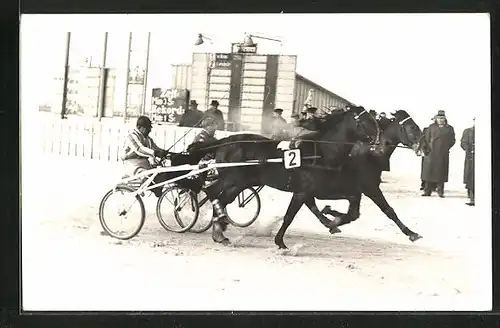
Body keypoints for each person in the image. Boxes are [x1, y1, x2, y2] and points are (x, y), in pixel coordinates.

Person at [121, 116, 169, 197]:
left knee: (162, 172)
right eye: (147, 128)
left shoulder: (148, 139)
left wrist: (165, 153)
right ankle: (149, 188)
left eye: (150, 128)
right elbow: (139, 149)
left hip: (145, 165)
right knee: (146, 175)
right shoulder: (132, 136)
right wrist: (155, 153)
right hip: (132, 165)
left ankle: (157, 188)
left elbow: (156, 149)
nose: (150, 130)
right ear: (139, 127)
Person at [421, 110, 456, 197]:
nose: (440, 120)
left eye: (442, 118)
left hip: (442, 154)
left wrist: (446, 147)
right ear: (436, 119)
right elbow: (426, 139)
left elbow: (452, 140)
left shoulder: (449, 128)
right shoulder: (431, 127)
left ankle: (440, 191)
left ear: (445, 119)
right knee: (429, 172)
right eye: (439, 118)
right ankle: (427, 191)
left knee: (441, 173)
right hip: (431, 153)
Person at [461, 118, 475, 206]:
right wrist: (468, 149)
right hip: (471, 157)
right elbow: (463, 143)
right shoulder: (468, 131)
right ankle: (471, 196)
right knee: (470, 176)